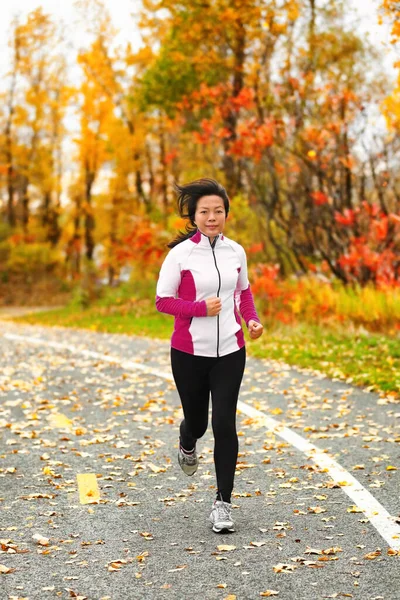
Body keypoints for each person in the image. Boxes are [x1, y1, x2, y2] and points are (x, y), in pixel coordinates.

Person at [155, 178, 263, 533]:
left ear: (226, 214)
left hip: (231, 350)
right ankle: (187, 441)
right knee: (199, 423)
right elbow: (163, 301)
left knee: (224, 424)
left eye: (218, 211)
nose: (212, 217)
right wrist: (199, 309)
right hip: (189, 352)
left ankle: (223, 503)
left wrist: (251, 319)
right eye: (205, 211)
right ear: (195, 215)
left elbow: (244, 293)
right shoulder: (181, 255)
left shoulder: (236, 252)